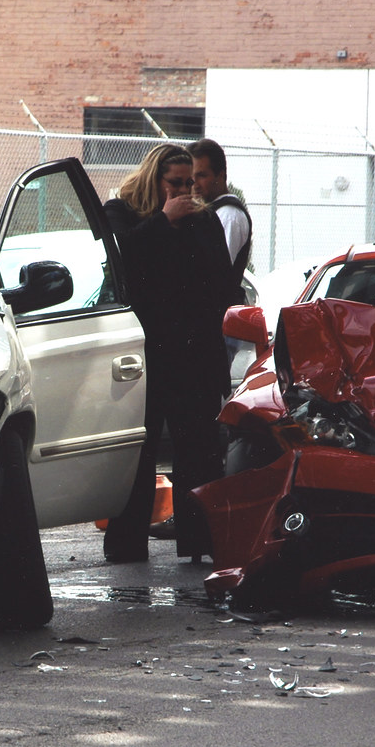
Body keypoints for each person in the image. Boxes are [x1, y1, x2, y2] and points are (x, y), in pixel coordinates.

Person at [102, 144, 233, 564]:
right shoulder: (122, 212)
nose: (183, 191)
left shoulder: (203, 219)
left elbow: (219, 284)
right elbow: (121, 259)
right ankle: (126, 544)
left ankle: (199, 542)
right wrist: (162, 222)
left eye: (190, 182)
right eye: (174, 183)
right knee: (137, 454)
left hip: (192, 354)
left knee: (198, 451)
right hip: (143, 353)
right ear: (153, 180)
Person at [187, 138, 252, 309]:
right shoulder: (212, 212)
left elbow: (216, 273)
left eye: (202, 175)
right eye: (190, 177)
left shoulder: (229, 216)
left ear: (221, 176)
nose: (195, 185)